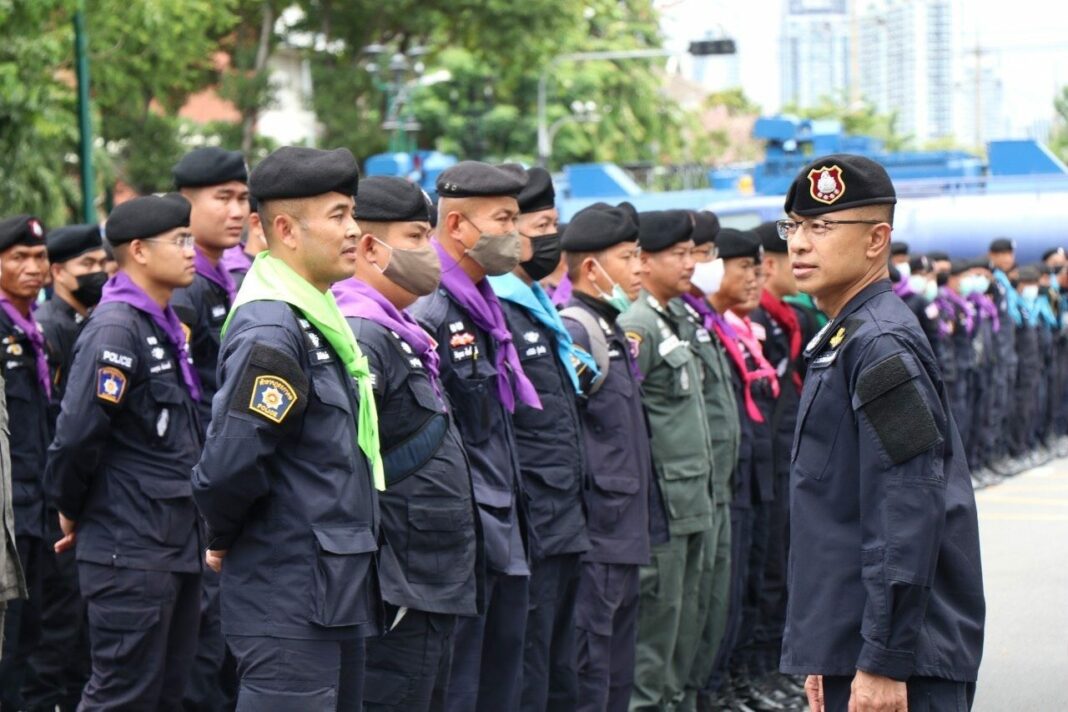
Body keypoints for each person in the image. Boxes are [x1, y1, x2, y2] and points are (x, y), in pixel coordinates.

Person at [778, 154, 984, 711]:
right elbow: (840, 512)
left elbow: (905, 509)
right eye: (792, 226)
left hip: (900, 664)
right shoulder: (848, 337)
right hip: (858, 648)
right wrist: (825, 650)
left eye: (820, 227)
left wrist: (882, 661)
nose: (798, 243)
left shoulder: (880, 344)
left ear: (876, 242)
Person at [192, 146, 382, 711]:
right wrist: (221, 536)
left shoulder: (317, 318)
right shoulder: (273, 328)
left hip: (332, 583)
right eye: (338, 216)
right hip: (289, 588)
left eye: (353, 213)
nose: (354, 230)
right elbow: (230, 462)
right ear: (285, 229)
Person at [44, 195, 204, 710]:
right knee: (123, 695)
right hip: (129, 545)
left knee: (166, 692)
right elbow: (75, 437)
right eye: (179, 241)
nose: (190, 252)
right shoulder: (117, 328)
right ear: (138, 250)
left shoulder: (159, 324)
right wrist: (70, 508)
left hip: (169, 541)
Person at [332, 176, 478, 712]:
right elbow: (348, 464)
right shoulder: (363, 332)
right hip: (399, 578)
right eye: (417, 237)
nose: (431, 252)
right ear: (371, 247)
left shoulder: (396, 329)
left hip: (428, 571)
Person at [409, 161, 537, 712]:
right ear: (458, 226)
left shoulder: (486, 305)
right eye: (505, 220)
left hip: (500, 514)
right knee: (459, 680)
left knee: (499, 670)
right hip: (463, 528)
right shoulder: (429, 305)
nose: (517, 234)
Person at [488, 167, 592, 712]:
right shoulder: (500, 308)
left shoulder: (539, 306)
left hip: (565, 514)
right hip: (532, 519)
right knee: (528, 666)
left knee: (559, 663)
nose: (551, 237)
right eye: (540, 223)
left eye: (555, 223)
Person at [557, 201, 662, 712]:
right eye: (629, 257)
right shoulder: (578, 331)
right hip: (598, 535)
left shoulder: (612, 328)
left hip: (624, 532)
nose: (639, 268)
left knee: (617, 667)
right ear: (593, 268)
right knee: (590, 668)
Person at [618, 210, 717, 712]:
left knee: (688, 621)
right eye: (677, 254)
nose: (690, 263)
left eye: (691, 253)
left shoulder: (676, 317)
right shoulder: (638, 325)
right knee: (657, 630)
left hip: (695, 494)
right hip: (665, 502)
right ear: (646, 260)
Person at [168, 146, 250, 712]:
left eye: (243, 198)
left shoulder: (219, 277)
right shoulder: (187, 287)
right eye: (223, 198)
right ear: (185, 205)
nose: (237, 210)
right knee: (202, 644)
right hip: (193, 485)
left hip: (217, 477)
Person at [24, 223, 106, 711]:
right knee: (57, 631)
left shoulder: (86, 320)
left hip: (81, 498)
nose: (97, 274)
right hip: (55, 501)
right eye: (86, 267)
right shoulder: (51, 327)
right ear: (59, 273)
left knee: (81, 633)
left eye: (102, 264)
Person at [704, 229, 783, 712]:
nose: (754, 278)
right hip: (719, 482)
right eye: (743, 268)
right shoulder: (706, 327)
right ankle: (717, 688)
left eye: (757, 268)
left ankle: (746, 678)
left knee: (753, 582)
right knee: (718, 597)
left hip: (755, 471)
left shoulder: (748, 328)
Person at [673, 210, 743, 712]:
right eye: (698, 254)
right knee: (672, 620)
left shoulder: (695, 320)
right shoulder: (647, 325)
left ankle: (705, 692)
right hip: (678, 497)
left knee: (709, 607)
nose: (704, 264)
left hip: (716, 485)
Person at [0, 215, 52, 709]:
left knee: (32, 639)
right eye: (18, 257)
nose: (33, 267)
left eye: (39, 257)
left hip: (35, 511)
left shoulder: (32, 329)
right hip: (7, 517)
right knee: (8, 642)